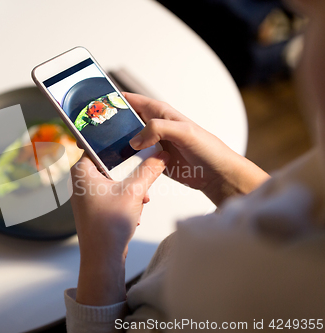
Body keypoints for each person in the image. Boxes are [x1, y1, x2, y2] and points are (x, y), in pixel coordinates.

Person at [65, 0, 325, 331]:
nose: (302, 54)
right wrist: (225, 179)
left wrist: (102, 256)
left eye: (315, 20)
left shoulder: (246, 294)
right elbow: (302, 216)